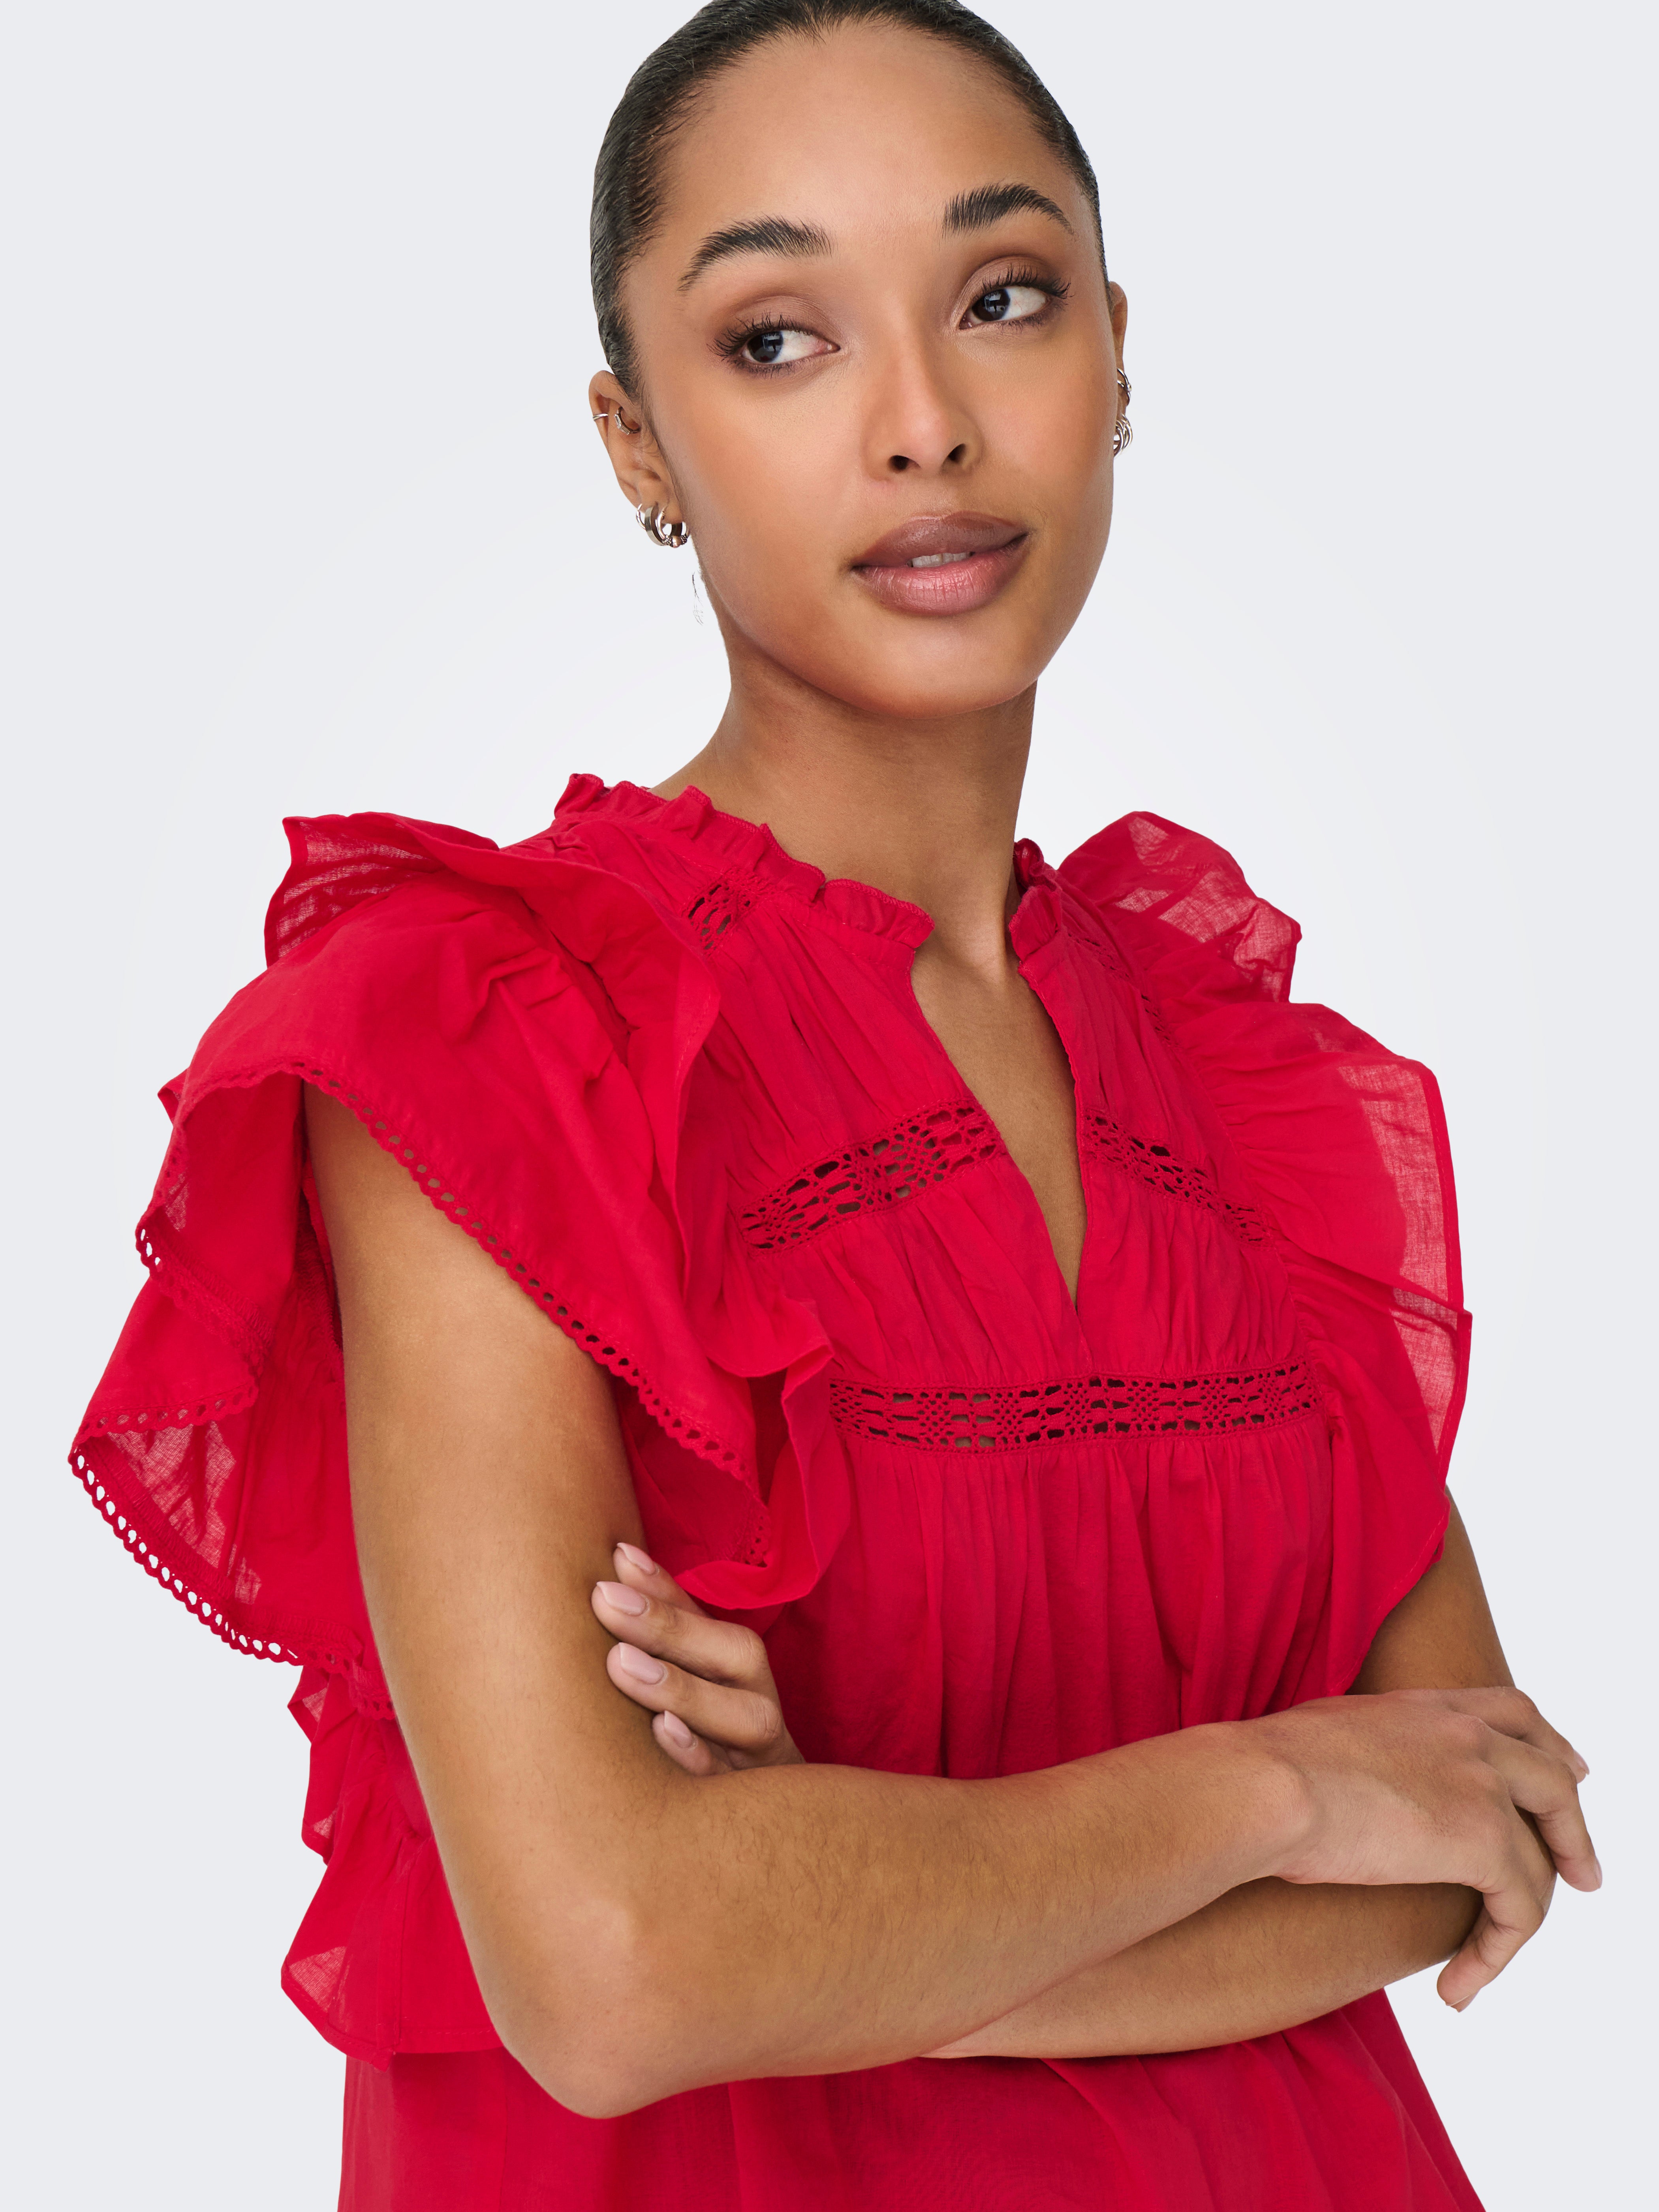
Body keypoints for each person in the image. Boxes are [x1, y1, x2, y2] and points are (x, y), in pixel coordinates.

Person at [71, 3, 1598, 2206]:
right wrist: (1274, 1788)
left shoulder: (1235, 1070)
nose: (925, 425)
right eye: (779, 339)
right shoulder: (478, 1033)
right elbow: (619, 1970)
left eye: (1005, 298)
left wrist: (842, 1897)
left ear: (1120, 351)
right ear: (639, 442)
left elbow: (1475, 1825)